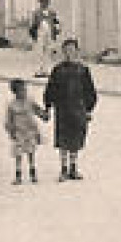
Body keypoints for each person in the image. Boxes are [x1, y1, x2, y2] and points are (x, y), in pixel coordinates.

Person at [42, 38, 98, 181]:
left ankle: (73, 168)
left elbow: (90, 91)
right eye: (66, 50)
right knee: (63, 139)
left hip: (78, 108)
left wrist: (89, 109)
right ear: (63, 52)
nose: (69, 53)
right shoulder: (58, 70)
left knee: (76, 139)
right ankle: (63, 169)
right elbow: (50, 89)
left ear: (77, 51)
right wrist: (48, 106)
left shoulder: (83, 70)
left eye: (72, 50)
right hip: (62, 109)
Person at [3, 77, 49, 185]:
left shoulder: (30, 101)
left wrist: (44, 115)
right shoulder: (11, 105)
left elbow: (38, 110)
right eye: (21, 90)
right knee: (18, 154)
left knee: (31, 152)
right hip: (18, 132)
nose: (24, 92)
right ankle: (18, 175)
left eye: (24, 89)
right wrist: (11, 132)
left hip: (30, 131)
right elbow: (8, 120)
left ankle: (33, 172)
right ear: (15, 92)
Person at [30, 0, 60, 78]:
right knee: (39, 52)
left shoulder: (52, 13)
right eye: (43, 2)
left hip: (49, 33)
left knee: (48, 51)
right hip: (40, 32)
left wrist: (56, 31)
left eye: (46, 3)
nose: (45, 4)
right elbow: (33, 24)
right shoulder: (36, 12)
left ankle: (46, 70)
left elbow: (56, 22)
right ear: (40, 3)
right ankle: (38, 70)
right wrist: (33, 35)